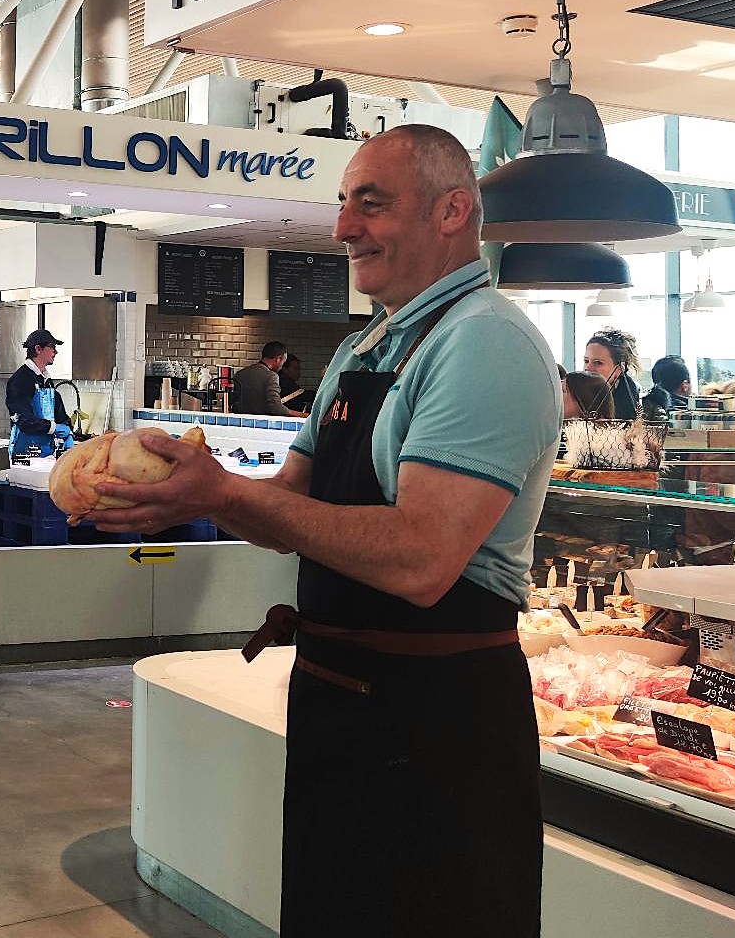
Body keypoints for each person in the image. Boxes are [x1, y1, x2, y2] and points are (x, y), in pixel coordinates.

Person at [89, 125, 559, 937]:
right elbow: (290, 512)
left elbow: (419, 560)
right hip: (340, 703)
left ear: (453, 210)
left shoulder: (484, 341)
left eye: (369, 204)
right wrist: (187, 496)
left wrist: (225, 490)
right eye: (343, 203)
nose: (342, 228)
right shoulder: (361, 347)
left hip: (438, 727)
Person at [5, 328, 73, 448]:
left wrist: (68, 431)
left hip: (47, 453)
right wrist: (54, 428)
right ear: (38, 349)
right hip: (24, 454)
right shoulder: (20, 380)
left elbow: (60, 414)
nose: (56, 352)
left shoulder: (47, 380)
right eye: (52, 347)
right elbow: (24, 420)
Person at [582, 328, 643, 421]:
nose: (588, 368)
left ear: (618, 369)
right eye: (586, 361)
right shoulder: (574, 395)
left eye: (598, 362)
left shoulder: (638, 404)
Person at [233, 341, 303, 416]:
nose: (282, 366)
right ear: (278, 359)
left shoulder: (240, 374)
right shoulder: (271, 376)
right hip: (262, 424)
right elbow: (276, 408)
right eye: (283, 362)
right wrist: (303, 415)